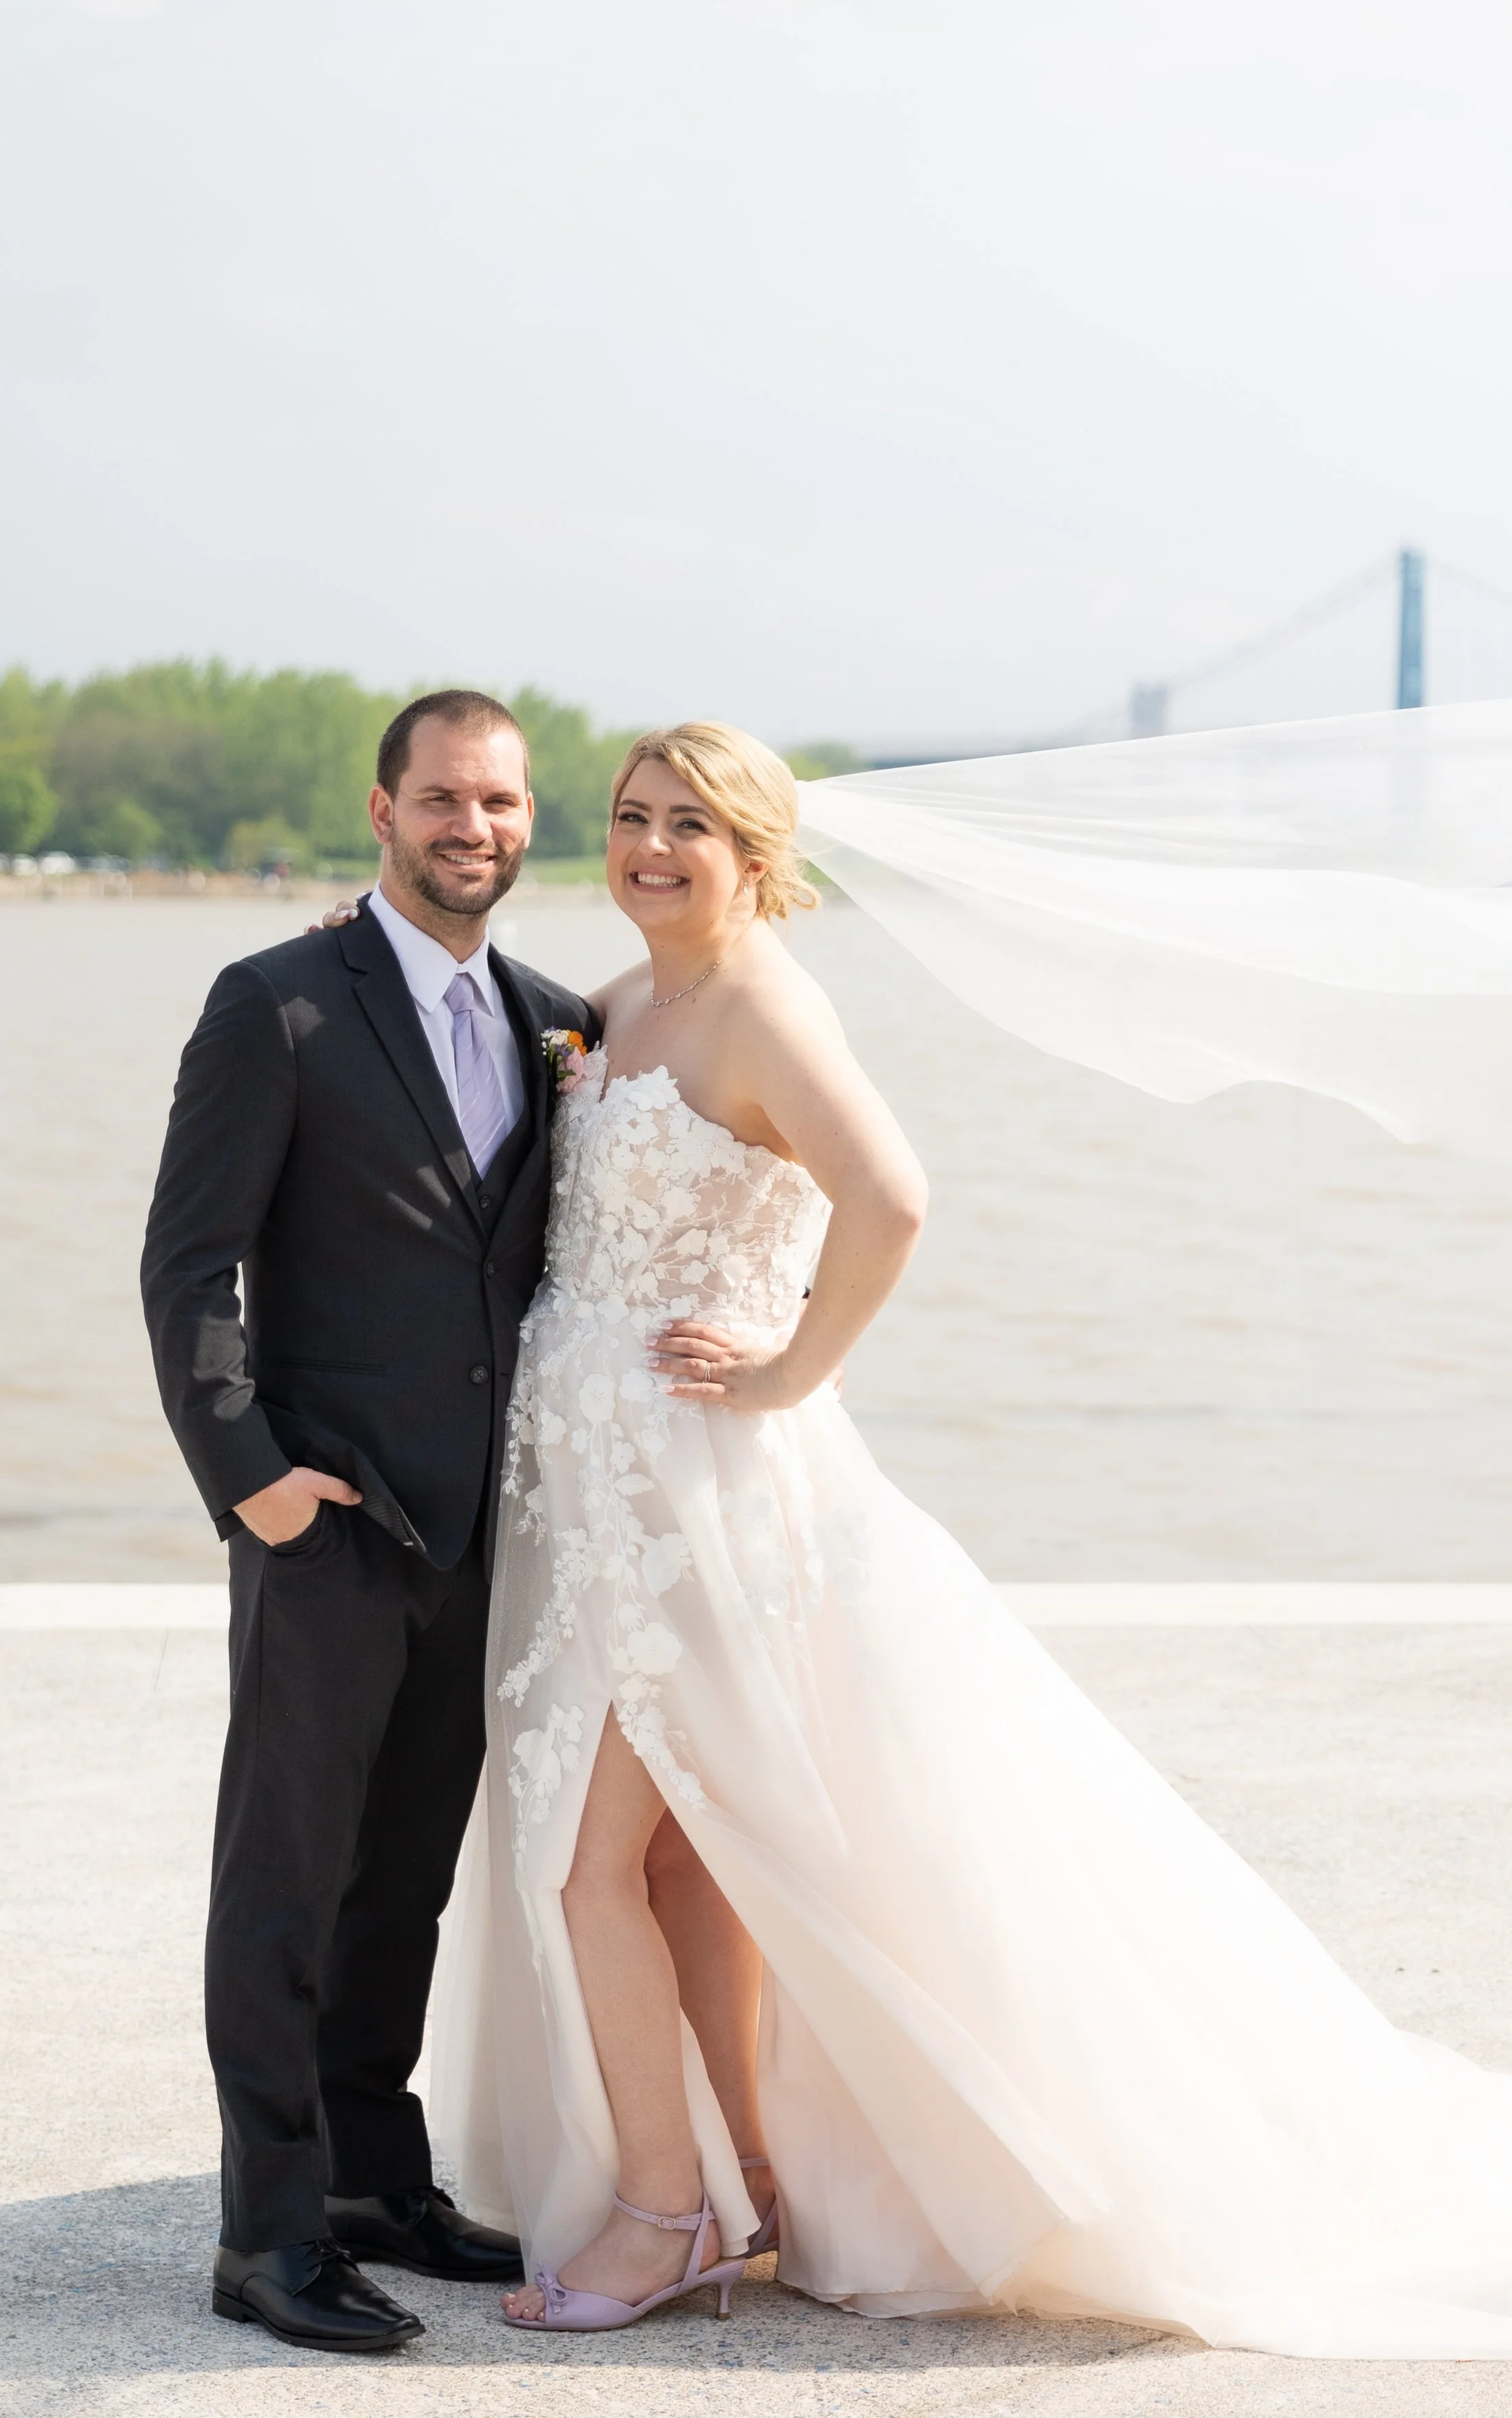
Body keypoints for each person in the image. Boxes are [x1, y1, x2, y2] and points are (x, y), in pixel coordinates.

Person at [396, 718, 1512, 2356]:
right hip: (597, 1497)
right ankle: (751, 2175)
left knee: (580, 1869)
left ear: (756, 856)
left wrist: (785, 1367)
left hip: (692, 1503)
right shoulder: (622, 1005)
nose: (647, 849)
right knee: (684, 1857)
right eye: (630, 818)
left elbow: (893, 1195)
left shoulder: (765, 1006)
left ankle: (662, 2212)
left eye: (687, 827)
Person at [141, 689, 594, 2356]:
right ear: (382, 809)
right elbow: (186, 1266)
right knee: (283, 1882)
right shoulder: (274, 1007)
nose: (473, 827)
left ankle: (367, 2181)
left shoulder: (560, 1024)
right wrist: (249, 1476)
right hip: (322, 1525)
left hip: (479, 1533)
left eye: (500, 801)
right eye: (443, 800)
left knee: (399, 1877)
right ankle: (262, 2236)